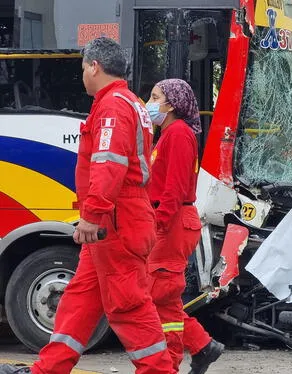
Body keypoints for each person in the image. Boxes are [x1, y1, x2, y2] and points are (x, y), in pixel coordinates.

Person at [0, 37, 176, 373]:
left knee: (128, 305)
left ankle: (159, 370)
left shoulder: (112, 107)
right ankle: (48, 369)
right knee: (80, 300)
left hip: (116, 221)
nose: (82, 75)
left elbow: (109, 164)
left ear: (95, 66)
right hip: (120, 219)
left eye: (83, 68)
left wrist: (93, 216)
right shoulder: (129, 102)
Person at [145, 78, 224, 374]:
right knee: (163, 299)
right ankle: (202, 347)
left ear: (173, 103)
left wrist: (159, 224)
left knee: (153, 295)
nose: (149, 102)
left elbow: (175, 188)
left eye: (155, 96)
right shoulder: (169, 133)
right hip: (172, 220)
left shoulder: (177, 133)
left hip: (172, 221)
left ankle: (170, 362)